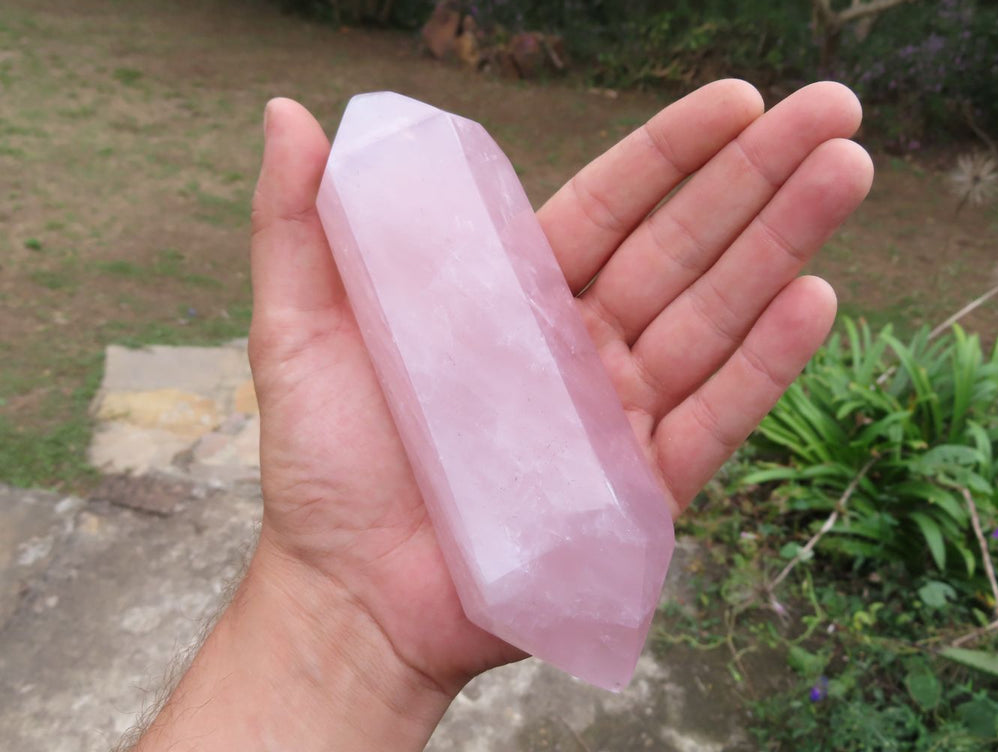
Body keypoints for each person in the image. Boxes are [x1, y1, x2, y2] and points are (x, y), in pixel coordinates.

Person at [123, 79, 873, 751]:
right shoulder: (390, 166)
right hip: (543, 575)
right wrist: (341, 609)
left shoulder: (398, 155)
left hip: (564, 570)